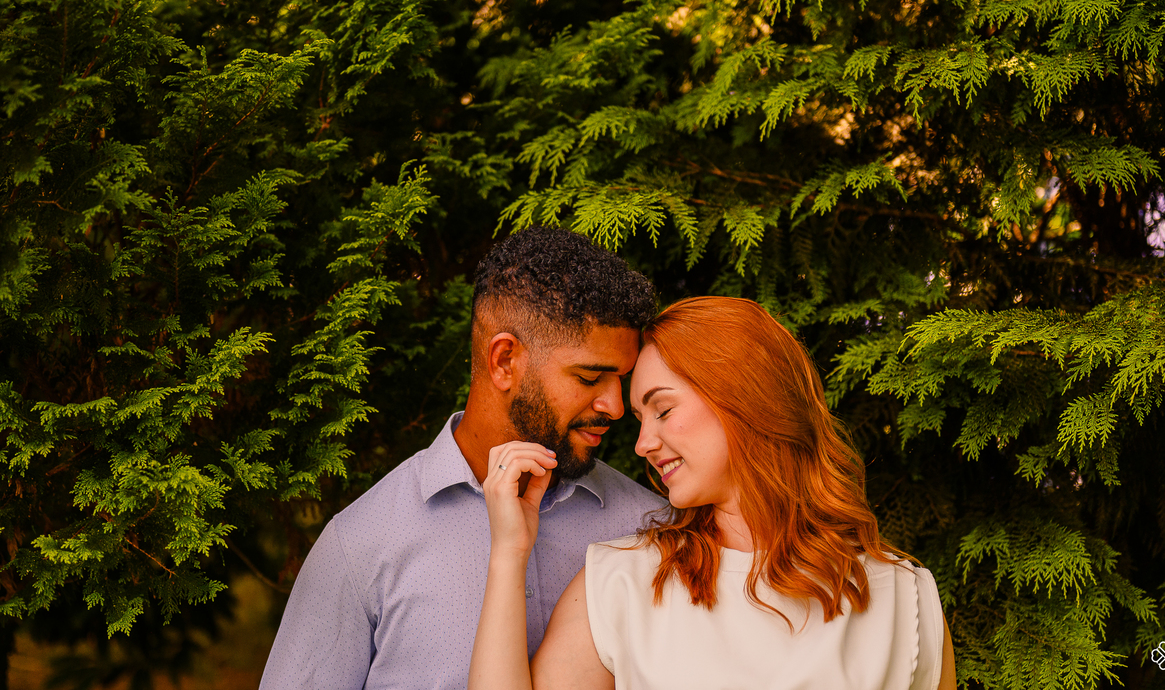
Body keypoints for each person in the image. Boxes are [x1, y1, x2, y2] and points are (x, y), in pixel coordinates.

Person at [470, 296, 956, 690]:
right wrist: (508, 553)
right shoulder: (622, 584)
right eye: (641, 420)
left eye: (662, 410)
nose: (642, 444)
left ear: (745, 398)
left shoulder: (906, 599)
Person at [259, 227, 665, 690]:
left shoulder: (654, 529)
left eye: (622, 380)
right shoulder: (362, 545)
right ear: (505, 361)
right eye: (591, 378)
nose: (615, 406)